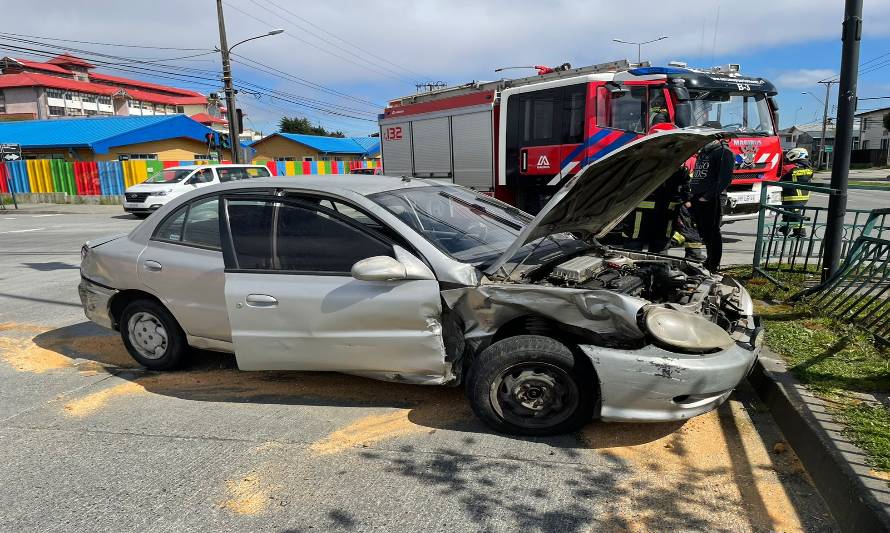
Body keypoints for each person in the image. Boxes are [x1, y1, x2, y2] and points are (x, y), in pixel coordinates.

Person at [688, 139, 735, 271]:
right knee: (704, 232)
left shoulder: (723, 152)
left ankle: (713, 265)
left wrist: (707, 196)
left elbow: (725, 179)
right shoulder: (704, 152)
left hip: (712, 198)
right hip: (699, 197)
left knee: (712, 232)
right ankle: (708, 261)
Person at [618, 167, 687, 253]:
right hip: (651, 215)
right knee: (638, 244)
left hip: (655, 216)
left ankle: (656, 264)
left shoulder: (645, 165)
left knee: (642, 244)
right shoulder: (677, 168)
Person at [778, 147, 814, 238]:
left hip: (790, 195)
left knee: (794, 215)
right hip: (803, 196)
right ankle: (785, 228)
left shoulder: (789, 168)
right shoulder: (809, 169)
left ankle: (800, 233)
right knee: (790, 212)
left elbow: (778, 176)